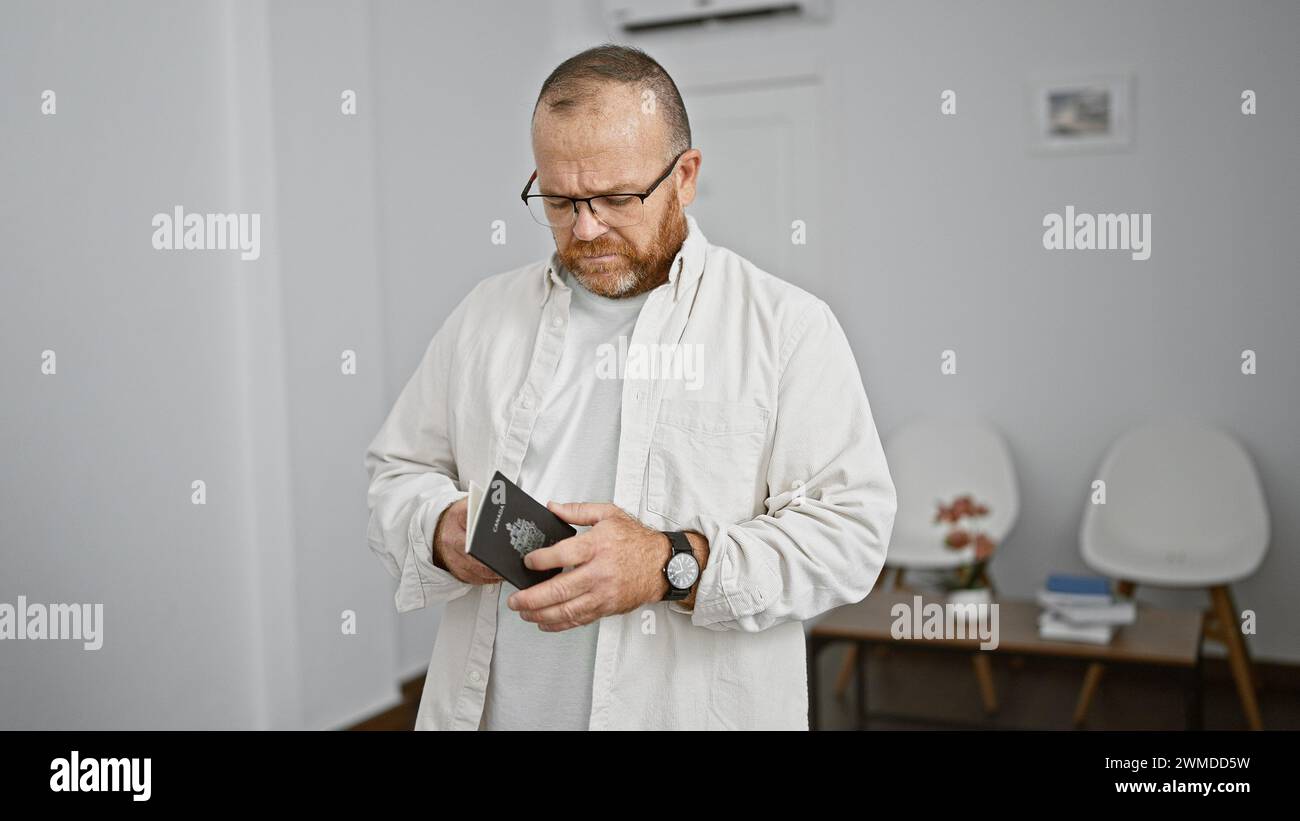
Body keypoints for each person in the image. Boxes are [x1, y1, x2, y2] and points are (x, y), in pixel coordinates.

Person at [364, 44, 896, 730]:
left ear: (686, 176)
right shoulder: (483, 315)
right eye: (558, 200)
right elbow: (395, 469)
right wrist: (439, 528)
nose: (585, 228)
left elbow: (850, 534)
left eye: (616, 197)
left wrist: (670, 563)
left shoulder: (787, 329)